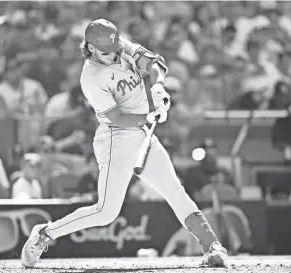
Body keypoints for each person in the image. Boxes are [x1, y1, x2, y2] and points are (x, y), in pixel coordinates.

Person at [21, 19, 227, 268]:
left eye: (115, 47)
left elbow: (155, 63)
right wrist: (150, 115)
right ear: (90, 47)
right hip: (115, 140)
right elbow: (116, 116)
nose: (113, 54)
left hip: (142, 136)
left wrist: (158, 88)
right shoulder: (91, 77)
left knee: (175, 190)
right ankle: (44, 234)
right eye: (106, 51)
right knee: (106, 212)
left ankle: (212, 246)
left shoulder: (120, 46)